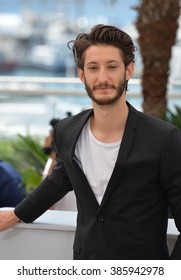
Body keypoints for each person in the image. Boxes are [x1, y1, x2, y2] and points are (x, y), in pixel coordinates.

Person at [0, 24, 181, 260]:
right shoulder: (66, 131)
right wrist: (17, 214)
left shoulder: (164, 139)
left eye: (112, 67)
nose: (102, 78)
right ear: (82, 74)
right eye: (93, 68)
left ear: (128, 71)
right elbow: (60, 179)